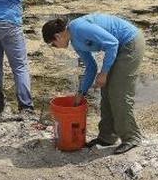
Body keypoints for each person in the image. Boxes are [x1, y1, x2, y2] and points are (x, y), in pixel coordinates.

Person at [41, 13, 144, 155]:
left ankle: (132, 137)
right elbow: (91, 67)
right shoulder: (75, 42)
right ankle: (107, 137)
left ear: (58, 36)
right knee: (106, 90)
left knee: (118, 92)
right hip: (118, 47)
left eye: (53, 44)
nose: (55, 47)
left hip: (130, 43)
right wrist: (81, 93)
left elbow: (112, 43)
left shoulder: (79, 28)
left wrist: (104, 73)